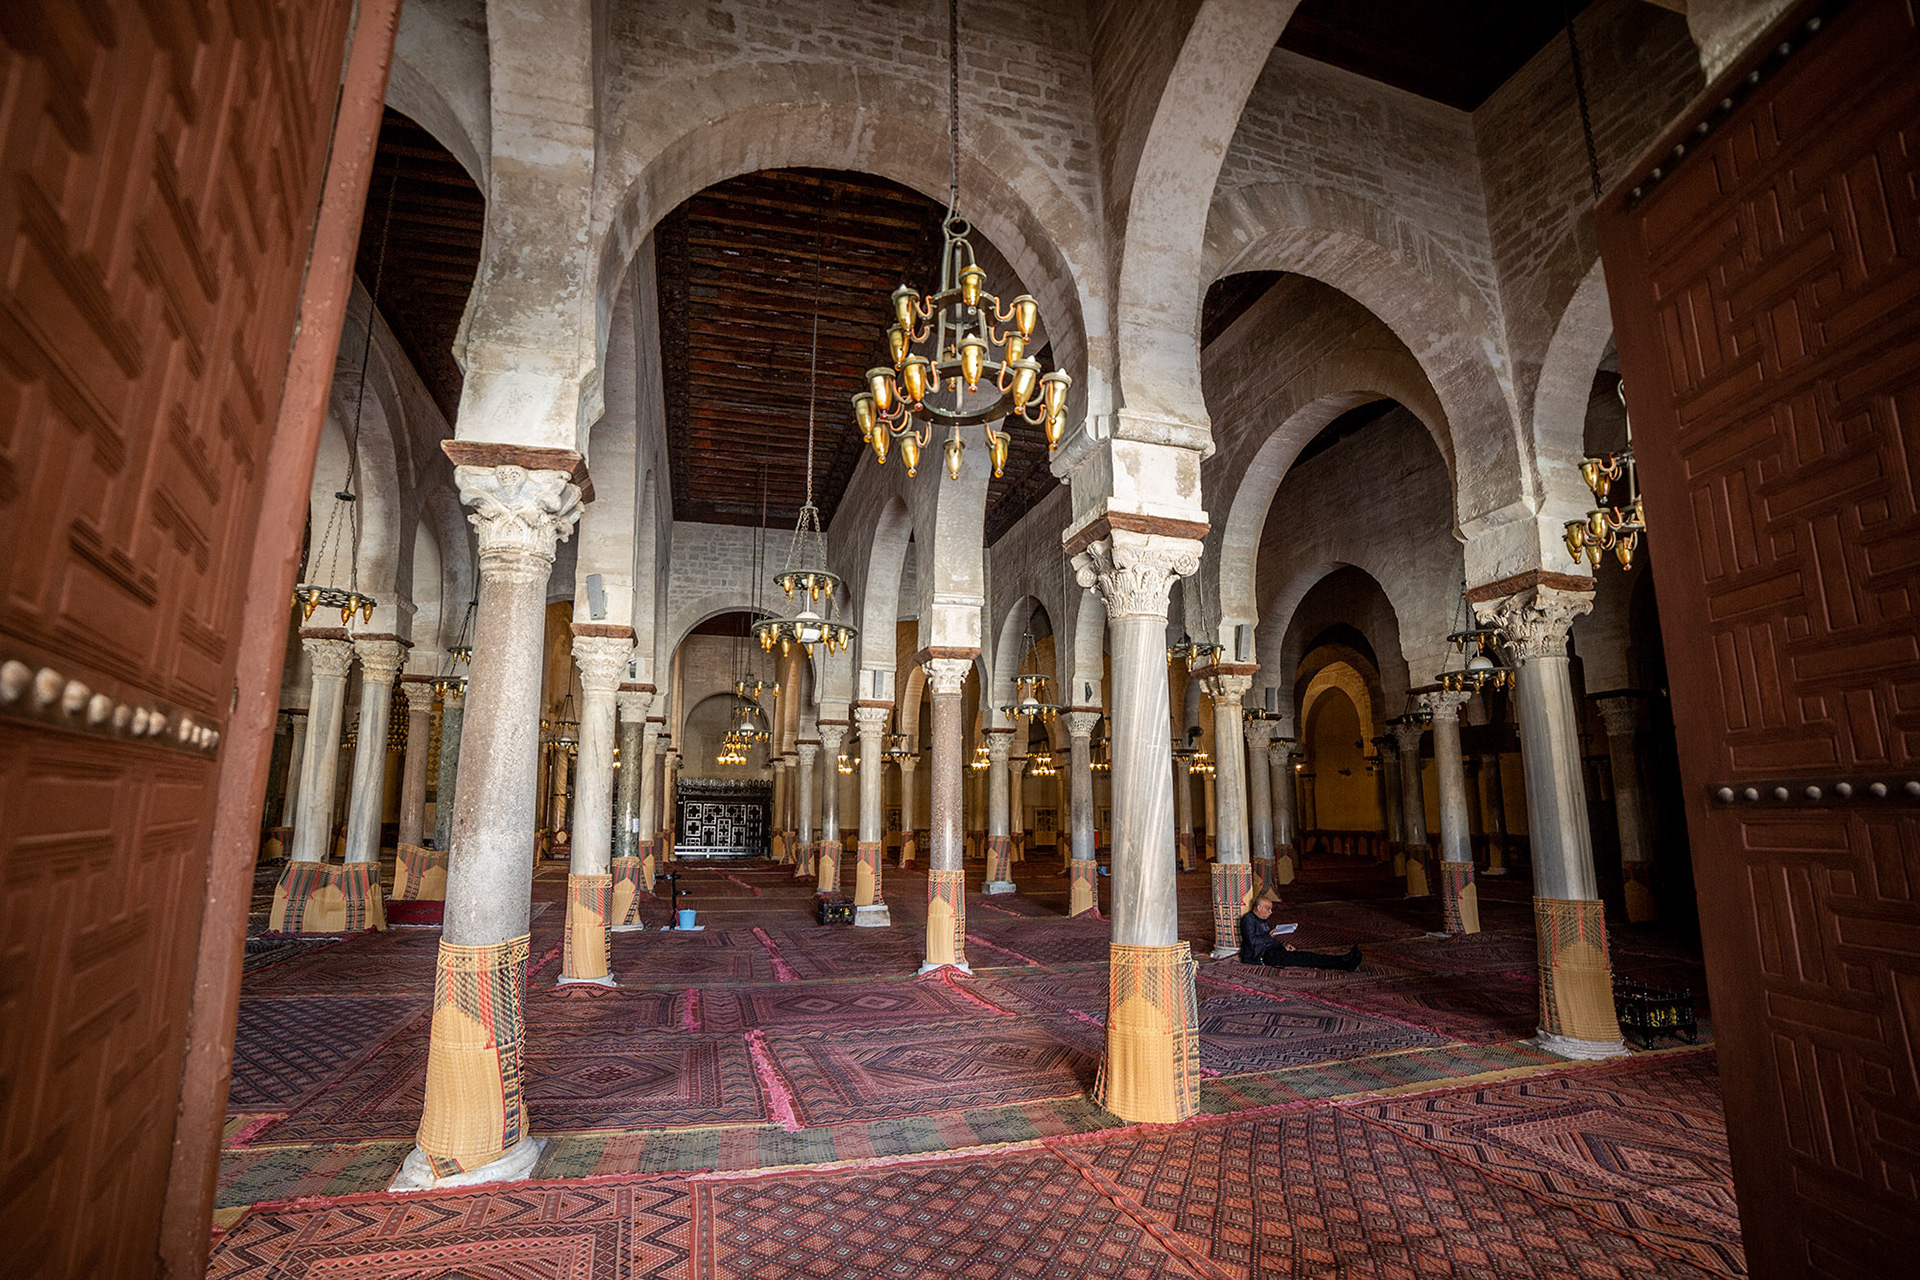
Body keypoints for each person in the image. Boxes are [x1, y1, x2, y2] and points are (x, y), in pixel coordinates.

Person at [1239, 892, 1361, 970]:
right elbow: (1252, 941)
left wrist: (1283, 946)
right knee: (1304, 958)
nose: (1271, 912)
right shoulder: (1248, 920)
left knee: (1305, 956)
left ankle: (1343, 960)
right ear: (1259, 908)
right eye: (1268, 909)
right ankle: (1344, 963)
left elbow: (1270, 939)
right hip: (1261, 956)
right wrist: (1269, 936)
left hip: (1271, 951)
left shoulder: (1264, 918)